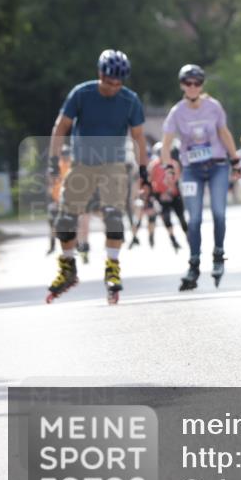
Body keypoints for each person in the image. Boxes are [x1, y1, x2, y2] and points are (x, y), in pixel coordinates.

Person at [46, 49, 148, 304]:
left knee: (114, 216)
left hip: (113, 164)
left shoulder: (130, 100)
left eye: (118, 83)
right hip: (82, 164)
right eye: (108, 81)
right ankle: (68, 268)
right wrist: (52, 161)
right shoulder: (82, 93)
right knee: (65, 221)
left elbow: (138, 137)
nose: (113, 87)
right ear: (100, 74)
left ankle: (112, 268)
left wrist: (143, 169)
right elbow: (61, 126)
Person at [161, 64, 241, 290]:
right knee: (193, 219)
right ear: (182, 86)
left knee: (218, 213)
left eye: (197, 83)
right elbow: (166, 144)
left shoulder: (213, 107)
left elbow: (224, 133)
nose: (193, 87)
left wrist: (234, 159)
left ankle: (218, 255)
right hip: (191, 171)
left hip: (217, 166)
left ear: (202, 85)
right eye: (188, 83)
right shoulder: (177, 112)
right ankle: (194, 264)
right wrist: (167, 166)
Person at [45, 145, 72, 256]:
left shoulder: (72, 166)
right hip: (55, 199)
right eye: (63, 153)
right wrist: (53, 200)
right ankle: (52, 245)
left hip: (68, 200)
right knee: (53, 223)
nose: (65, 156)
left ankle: (75, 244)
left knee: (71, 223)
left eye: (67, 153)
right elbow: (50, 185)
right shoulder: (55, 167)